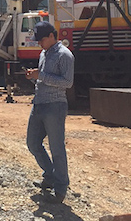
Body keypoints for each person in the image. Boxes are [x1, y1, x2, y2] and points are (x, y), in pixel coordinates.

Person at [25, 21, 75, 204]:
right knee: (32, 143)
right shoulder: (43, 54)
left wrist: (41, 76)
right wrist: (34, 78)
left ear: (52, 36)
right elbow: (45, 81)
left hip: (55, 106)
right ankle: (50, 175)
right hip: (39, 104)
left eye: (42, 40)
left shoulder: (65, 55)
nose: (40, 43)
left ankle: (61, 188)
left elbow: (67, 82)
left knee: (57, 148)